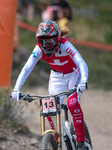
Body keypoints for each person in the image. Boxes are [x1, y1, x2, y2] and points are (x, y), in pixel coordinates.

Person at [11, 20, 89, 150]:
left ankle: (81, 142)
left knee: (72, 103)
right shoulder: (39, 49)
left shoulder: (65, 45)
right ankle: (60, 140)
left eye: (50, 41)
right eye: (43, 41)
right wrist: (16, 89)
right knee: (48, 109)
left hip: (73, 74)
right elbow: (26, 68)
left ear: (58, 39)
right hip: (57, 76)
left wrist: (83, 81)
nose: (46, 45)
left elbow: (81, 62)